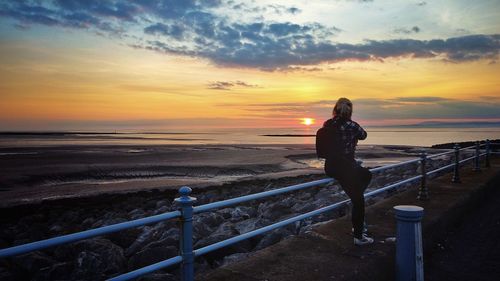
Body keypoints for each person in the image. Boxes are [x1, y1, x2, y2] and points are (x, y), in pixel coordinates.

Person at [323, 97, 373, 245]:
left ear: (335, 109)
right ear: (350, 111)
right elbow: (364, 135)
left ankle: (355, 194)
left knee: (366, 175)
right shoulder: (352, 126)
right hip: (345, 167)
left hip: (330, 166)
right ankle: (358, 236)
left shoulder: (327, 124)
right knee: (359, 201)